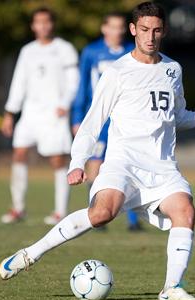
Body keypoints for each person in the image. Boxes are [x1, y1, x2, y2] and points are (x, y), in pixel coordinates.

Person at [0, 2, 195, 300]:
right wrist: (78, 162)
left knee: (185, 211)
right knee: (102, 213)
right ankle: (30, 254)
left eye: (156, 30)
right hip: (123, 163)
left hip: (162, 168)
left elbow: (178, 117)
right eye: (144, 30)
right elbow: (93, 122)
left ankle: (171, 288)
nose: (150, 36)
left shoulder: (172, 69)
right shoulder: (117, 72)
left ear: (164, 31)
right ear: (133, 30)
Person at [0, 7, 79, 225]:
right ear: (33, 26)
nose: (42, 26)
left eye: (46, 22)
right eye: (38, 22)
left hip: (54, 113)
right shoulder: (27, 51)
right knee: (19, 153)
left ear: (52, 24)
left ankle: (60, 211)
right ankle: (18, 209)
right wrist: (10, 113)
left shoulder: (64, 49)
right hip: (30, 113)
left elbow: (74, 80)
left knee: (57, 160)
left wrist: (65, 104)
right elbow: (19, 83)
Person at [71, 12, 141, 231]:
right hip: (100, 120)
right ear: (104, 28)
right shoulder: (92, 52)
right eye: (112, 27)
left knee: (129, 165)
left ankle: (133, 222)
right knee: (95, 167)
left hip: (124, 120)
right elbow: (82, 86)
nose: (116, 31)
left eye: (120, 27)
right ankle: (97, 214)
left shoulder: (133, 52)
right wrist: (77, 118)